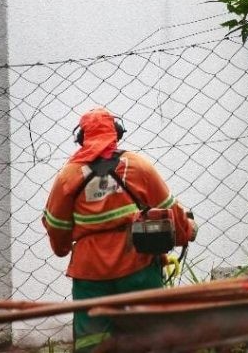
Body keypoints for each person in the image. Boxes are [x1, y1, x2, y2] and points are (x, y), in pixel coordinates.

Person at [43, 107, 197, 352]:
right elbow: (170, 209)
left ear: (82, 138)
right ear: (117, 133)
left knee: (91, 341)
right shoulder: (137, 166)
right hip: (138, 265)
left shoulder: (68, 175)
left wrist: (62, 248)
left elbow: (56, 225)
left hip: (89, 272)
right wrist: (186, 232)